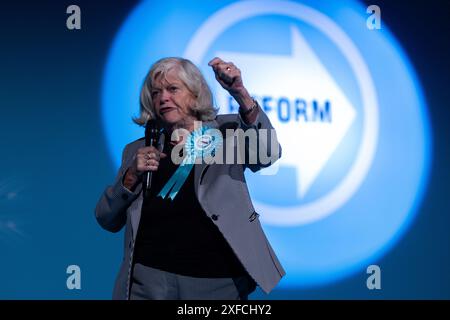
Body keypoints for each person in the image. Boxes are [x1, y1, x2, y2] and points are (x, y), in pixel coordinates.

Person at [95, 57, 285, 300]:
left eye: (173, 89)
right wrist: (131, 176)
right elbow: (106, 218)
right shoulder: (137, 150)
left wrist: (240, 94)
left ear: (195, 94)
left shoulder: (227, 133)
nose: (163, 98)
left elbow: (267, 155)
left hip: (216, 281)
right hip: (149, 281)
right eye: (156, 93)